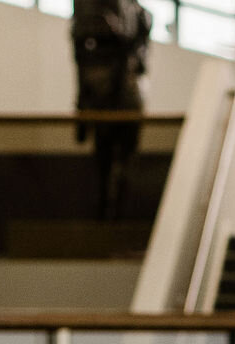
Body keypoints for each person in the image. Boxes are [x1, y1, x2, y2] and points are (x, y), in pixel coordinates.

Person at [70, 0, 150, 218]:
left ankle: (117, 215)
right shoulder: (89, 15)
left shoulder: (137, 14)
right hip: (103, 101)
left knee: (123, 162)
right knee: (103, 160)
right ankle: (105, 214)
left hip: (123, 99)